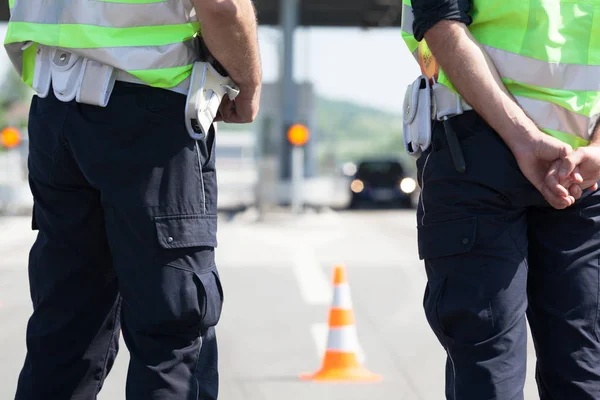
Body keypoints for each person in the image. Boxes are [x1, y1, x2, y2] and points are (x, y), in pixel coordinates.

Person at [3, 0, 261, 398]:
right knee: (170, 335)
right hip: (148, 114)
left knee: (63, 333)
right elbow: (223, 6)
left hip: (56, 113)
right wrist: (248, 82)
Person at [401, 0, 600, 398]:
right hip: (523, 159)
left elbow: (440, 19)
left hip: (529, 161)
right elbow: (439, 19)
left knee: (502, 371)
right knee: (571, 367)